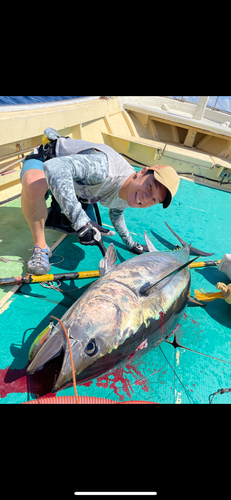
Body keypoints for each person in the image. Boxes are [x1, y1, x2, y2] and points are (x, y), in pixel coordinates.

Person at [20, 128, 180, 275]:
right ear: (142, 172)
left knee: (88, 228)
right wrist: (80, 221)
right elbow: (54, 167)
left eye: (154, 200)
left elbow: (116, 213)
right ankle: (40, 246)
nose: (145, 199)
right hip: (48, 158)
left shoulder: (133, 194)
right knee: (35, 185)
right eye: (149, 187)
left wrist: (130, 243)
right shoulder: (104, 169)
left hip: (78, 183)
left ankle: (57, 210)